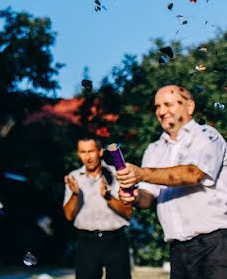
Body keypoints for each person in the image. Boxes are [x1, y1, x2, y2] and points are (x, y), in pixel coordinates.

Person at [117, 85, 227, 279]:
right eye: (157, 107)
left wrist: (142, 173)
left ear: (189, 106)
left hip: (216, 244)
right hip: (178, 250)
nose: (161, 111)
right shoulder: (154, 149)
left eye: (168, 104)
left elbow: (193, 173)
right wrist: (133, 195)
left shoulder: (207, 135)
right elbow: (147, 198)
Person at [63, 136, 132, 279]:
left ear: (100, 152)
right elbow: (68, 215)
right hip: (86, 242)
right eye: (83, 152)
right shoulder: (74, 177)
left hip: (115, 241)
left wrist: (108, 197)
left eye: (91, 151)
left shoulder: (117, 174)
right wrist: (75, 195)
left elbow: (128, 212)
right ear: (78, 154)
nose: (87, 157)